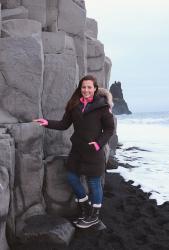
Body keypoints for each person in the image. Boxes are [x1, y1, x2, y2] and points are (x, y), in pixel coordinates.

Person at [34, 75, 114, 228]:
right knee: (71, 177)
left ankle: (94, 217)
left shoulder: (102, 107)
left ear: (95, 89)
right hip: (77, 150)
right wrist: (47, 122)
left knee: (94, 183)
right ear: (80, 88)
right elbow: (64, 124)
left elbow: (110, 129)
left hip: (94, 151)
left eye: (89, 87)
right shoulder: (74, 105)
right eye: (83, 87)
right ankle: (85, 210)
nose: (86, 90)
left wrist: (98, 144)